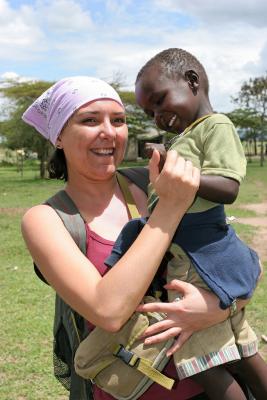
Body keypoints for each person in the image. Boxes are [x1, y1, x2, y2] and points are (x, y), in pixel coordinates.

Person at [21, 76, 250, 400]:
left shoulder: (152, 181)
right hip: (132, 388)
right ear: (58, 136)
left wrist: (218, 306)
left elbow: (236, 263)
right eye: (89, 120)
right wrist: (170, 206)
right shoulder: (47, 220)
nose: (109, 132)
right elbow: (109, 310)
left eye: (118, 120)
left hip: (213, 381)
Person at [105, 49, 267, 399]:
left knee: (203, 361)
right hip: (195, 251)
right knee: (241, 350)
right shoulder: (186, 136)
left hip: (199, 256)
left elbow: (229, 188)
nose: (158, 116)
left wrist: (178, 179)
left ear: (192, 81)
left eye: (160, 101)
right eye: (150, 113)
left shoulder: (217, 125)